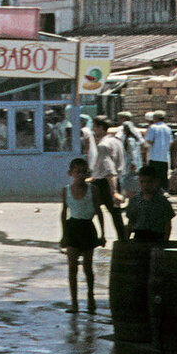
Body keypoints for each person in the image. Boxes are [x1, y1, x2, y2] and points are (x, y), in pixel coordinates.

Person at [60, 157, 103, 314]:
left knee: (87, 267)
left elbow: (98, 211)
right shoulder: (66, 190)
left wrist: (102, 234)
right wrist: (64, 235)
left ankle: (91, 298)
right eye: (77, 172)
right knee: (72, 268)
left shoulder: (93, 190)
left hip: (87, 227)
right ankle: (74, 303)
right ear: (70, 173)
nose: (81, 175)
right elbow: (64, 212)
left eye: (84, 172)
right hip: (72, 228)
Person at [89, 116, 126, 242]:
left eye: (95, 126)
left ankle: (91, 238)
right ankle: (123, 240)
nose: (93, 129)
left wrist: (113, 191)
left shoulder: (103, 145)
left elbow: (109, 171)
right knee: (116, 215)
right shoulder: (116, 141)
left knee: (87, 211)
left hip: (106, 184)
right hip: (114, 181)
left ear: (101, 128)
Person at [127, 165, 176, 241]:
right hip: (139, 236)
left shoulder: (162, 201)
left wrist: (165, 241)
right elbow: (130, 223)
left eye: (149, 182)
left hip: (157, 237)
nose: (145, 185)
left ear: (156, 182)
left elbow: (167, 225)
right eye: (142, 182)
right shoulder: (134, 200)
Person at [143, 110, 172, 191]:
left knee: (154, 176)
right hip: (165, 157)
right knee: (163, 176)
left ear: (155, 118)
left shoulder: (153, 127)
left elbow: (150, 141)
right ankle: (164, 191)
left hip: (154, 156)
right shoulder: (168, 129)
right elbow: (170, 142)